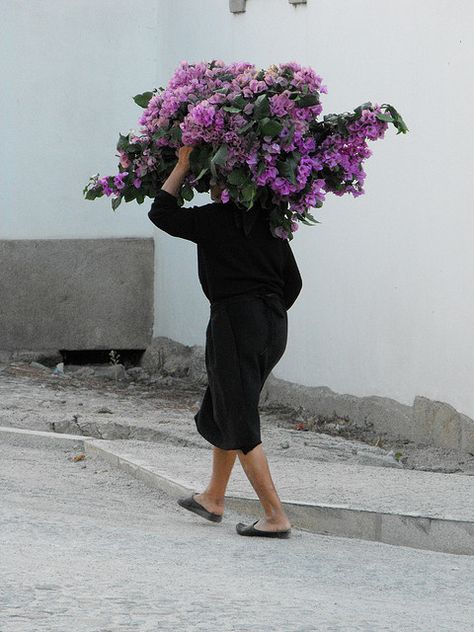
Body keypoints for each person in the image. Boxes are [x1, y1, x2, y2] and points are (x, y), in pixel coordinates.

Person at [148, 145, 302, 538]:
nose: (210, 186)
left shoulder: (214, 219)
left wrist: (182, 164)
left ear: (224, 185)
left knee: (239, 415)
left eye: (212, 178)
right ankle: (213, 496)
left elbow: (161, 212)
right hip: (273, 323)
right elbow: (294, 283)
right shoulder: (269, 223)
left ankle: (275, 516)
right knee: (227, 403)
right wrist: (265, 311)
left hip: (235, 321)